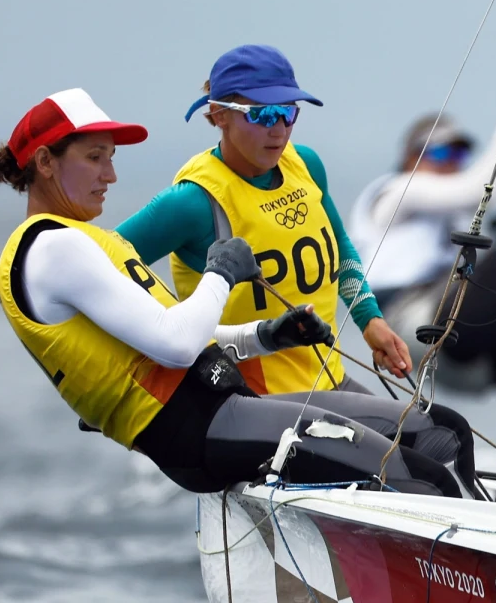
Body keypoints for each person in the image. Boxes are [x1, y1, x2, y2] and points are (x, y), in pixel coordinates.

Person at [0, 87, 468, 498]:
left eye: (110, 159)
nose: (110, 176)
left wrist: (267, 336)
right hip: (202, 431)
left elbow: (182, 332)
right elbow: (175, 345)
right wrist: (220, 272)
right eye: (95, 159)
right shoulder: (53, 248)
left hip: (230, 411)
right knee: (423, 478)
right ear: (45, 162)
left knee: (443, 431)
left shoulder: (86, 242)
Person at [117, 44, 412, 394]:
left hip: (327, 382)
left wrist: (369, 319)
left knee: (437, 438)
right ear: (219, 113)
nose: (279, 130)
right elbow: (100, 269)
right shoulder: (190, 202)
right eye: (263, 115)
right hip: (252, 403)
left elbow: (340, 249)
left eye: (288, 112)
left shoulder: (305, 164)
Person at [348, 113, 496, 309]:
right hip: (397, 306)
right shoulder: (398, 190)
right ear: (411, 158)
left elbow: (486, 199)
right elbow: (480, 192)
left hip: (435, 300)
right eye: (440, 153)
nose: (450, 162)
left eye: (457, 154)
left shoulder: (450, 211)